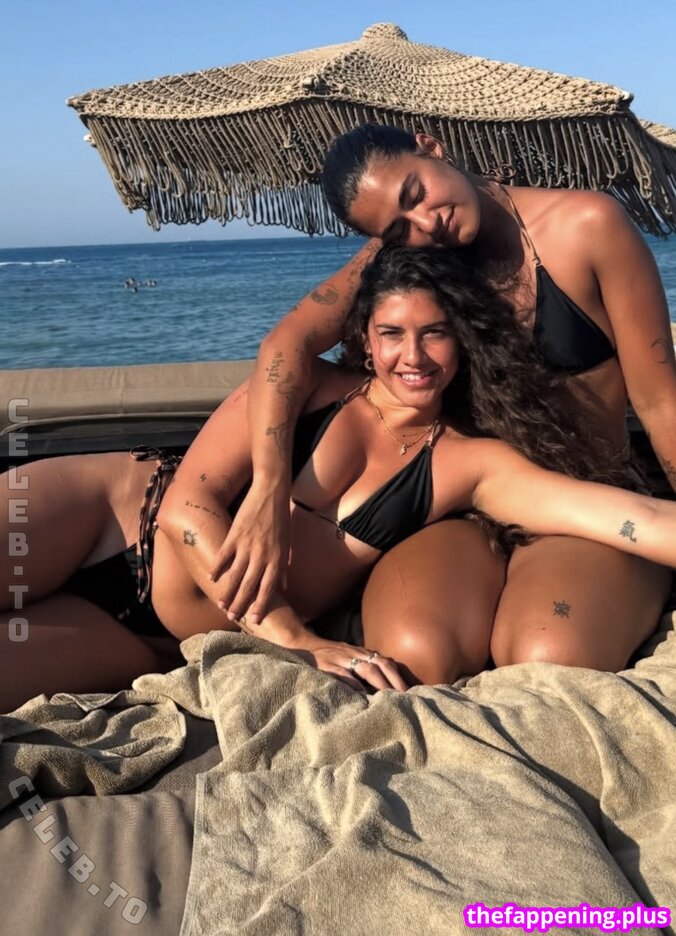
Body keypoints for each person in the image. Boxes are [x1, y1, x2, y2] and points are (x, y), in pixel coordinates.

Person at [1, 246, 673, 712]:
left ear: (464, 340)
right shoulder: (306, 387)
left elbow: (628, 518)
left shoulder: (468, 463)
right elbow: (186, 508)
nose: (413, 356)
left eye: (435, 333)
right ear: (367, 340)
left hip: (152, 637)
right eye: (392, 333)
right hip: (109, 515)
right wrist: (300, 641)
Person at [216, 124, 676, 678]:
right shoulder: (407, 251)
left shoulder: (586, 225)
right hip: (463, 509)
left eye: (416, 192)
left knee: (549, 655)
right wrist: (268, 488)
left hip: (582, 499)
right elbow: (286, 344)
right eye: (398, 227)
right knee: (415, 657)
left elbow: (660, 405)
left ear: (432, 148)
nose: (426, 222)